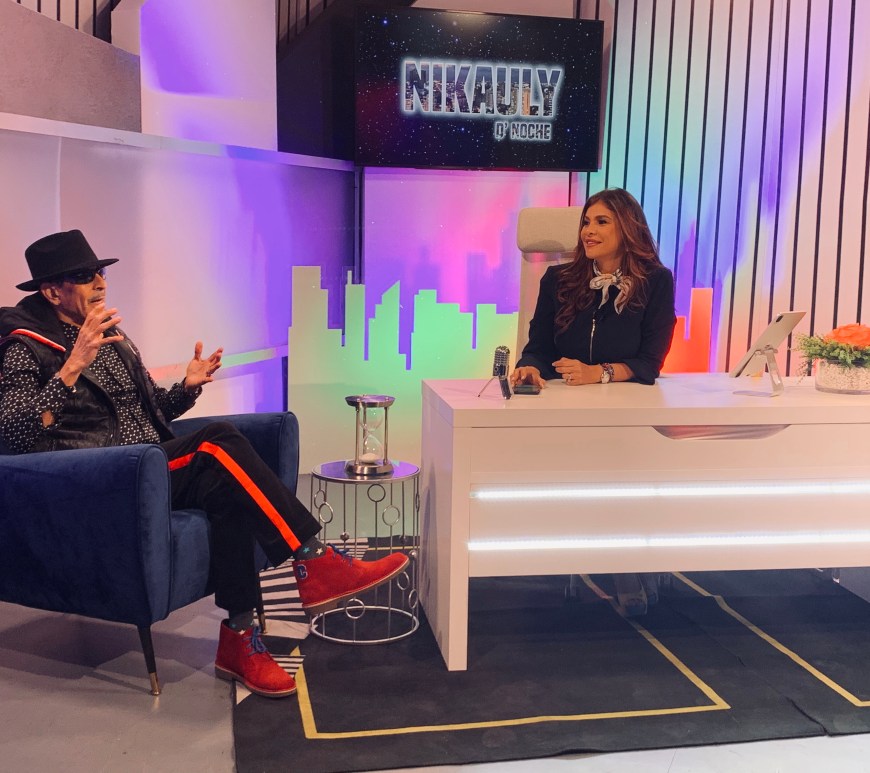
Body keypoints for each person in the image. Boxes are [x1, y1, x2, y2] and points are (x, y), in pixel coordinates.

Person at [0, 229, 409, 698]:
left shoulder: (112, 336)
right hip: (100, 478)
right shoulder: (25, 347)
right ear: (52, 292)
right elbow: (15, 433)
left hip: (150, 468)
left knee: (227, 492)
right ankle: (314, 561)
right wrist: (72, 366)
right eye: (82, 275)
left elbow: (150, 411)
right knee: (217, 442)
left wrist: (187, 387)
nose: (99, 282)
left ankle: (240, 640)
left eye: (100, 271)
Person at [510, 188, 677, 616]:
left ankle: (623, 564)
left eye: (601, 221)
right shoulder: (558, 280)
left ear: (628, 227)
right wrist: (529, 368)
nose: (588, 230)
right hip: (566, 411)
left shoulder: (656, 282)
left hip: (626, 413)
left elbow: (650, 363)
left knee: (622, 468)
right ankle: (591, 556)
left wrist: (598, 373)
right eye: (586, 221)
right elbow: (539, 348)